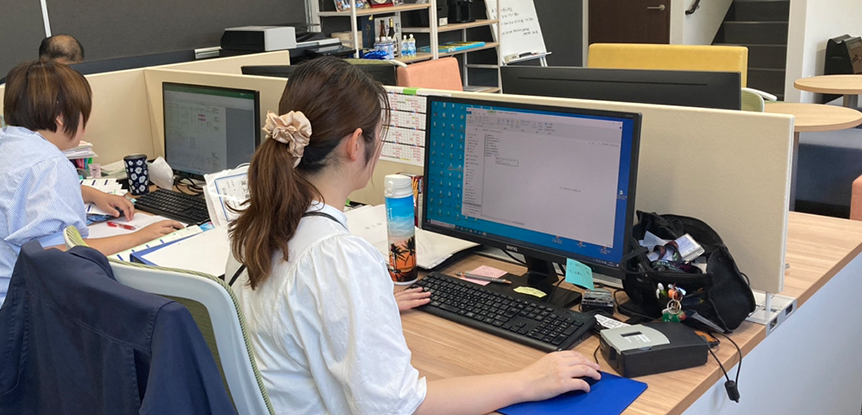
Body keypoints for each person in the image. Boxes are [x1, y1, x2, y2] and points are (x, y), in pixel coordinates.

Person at [229, 56, 601, 415]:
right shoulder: (337, 258)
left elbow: (296, 320)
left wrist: (370, 306)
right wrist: (528, 381)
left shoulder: (254, 227)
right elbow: (402, 407)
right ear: (355, 144)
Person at [0, 60, 182, 344]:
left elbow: (17, 188)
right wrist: (140, 237)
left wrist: (92, 194)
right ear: (61, 117)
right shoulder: (48, 163)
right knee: (141, 324)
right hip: (9, 331)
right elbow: (61, 255)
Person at [0, 34, 84, 86]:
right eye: (60, 70)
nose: (66, 76)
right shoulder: (10, 86)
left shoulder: (87, 81)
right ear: (42, 61)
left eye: (72, 70)